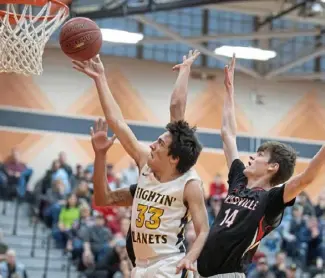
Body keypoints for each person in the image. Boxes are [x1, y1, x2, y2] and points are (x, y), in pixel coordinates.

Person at [73, 50, 209, 277]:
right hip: (140, 266)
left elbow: (203, 229)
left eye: (160, 143)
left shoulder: (190, 184)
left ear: (174, 158)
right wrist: (100, 79)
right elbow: (117, 123)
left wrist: (189, 258)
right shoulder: (146, 162)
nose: (153, 145)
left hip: (168, 265)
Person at [197, 54, 325, 278]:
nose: (251, 158)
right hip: (199, 272)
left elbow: (306, 178)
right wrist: (229, 90)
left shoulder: (272, 200)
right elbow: (228, 135)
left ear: (273, 167)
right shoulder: (239, 180)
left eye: (259, 155)